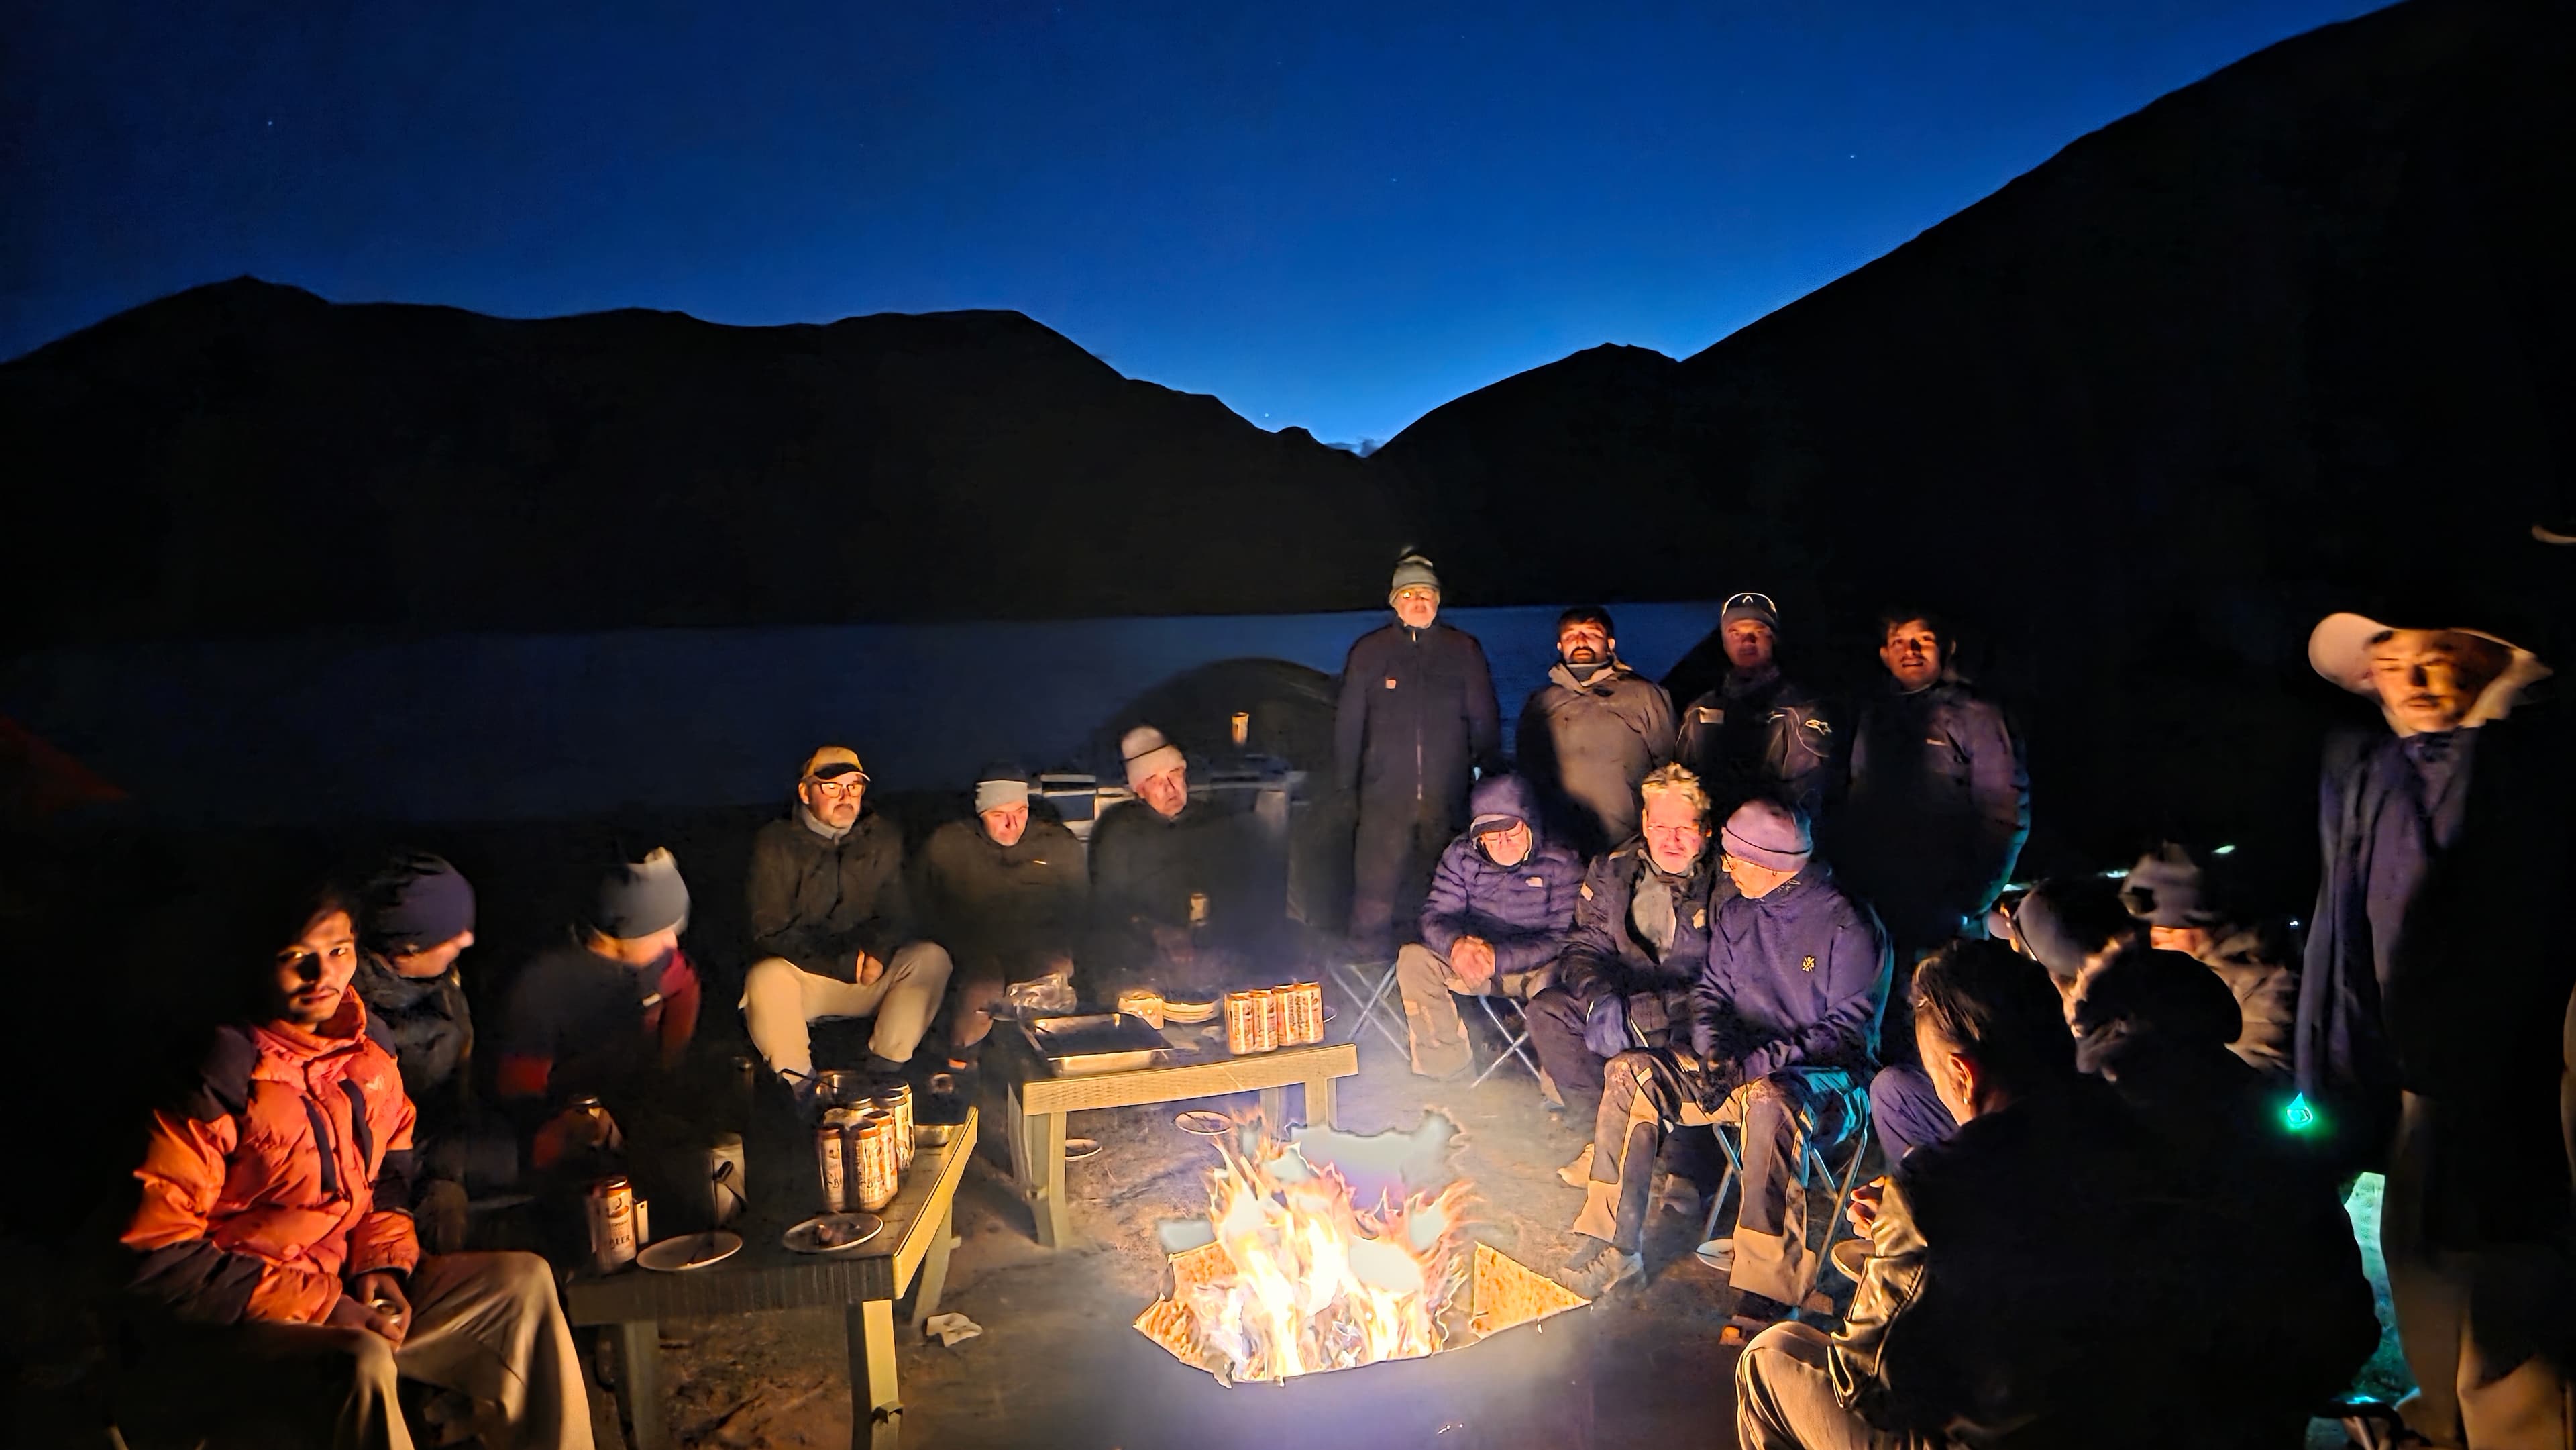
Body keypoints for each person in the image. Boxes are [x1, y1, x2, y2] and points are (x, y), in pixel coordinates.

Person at [1735, 939, 2371, 1450]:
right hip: (2195, 1416)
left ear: (1960, 1071)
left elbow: (1876, 1387)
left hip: (2036, 1424)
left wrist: (1898, 1245)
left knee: (1772, 1358)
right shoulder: (2156, 1133)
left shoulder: (1955, 1178)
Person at [121, 884, 590, 1449]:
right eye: (299, 958)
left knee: (521, 1286)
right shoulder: (220, 1075)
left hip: (342, 1285)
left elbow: (387, 1180)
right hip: (244, 1318)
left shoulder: (368, 1049)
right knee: (361, 1359)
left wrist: (383, 1268)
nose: (324, 974)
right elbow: (158, 1254)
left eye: (340, 950)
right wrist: (325, 1305)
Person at [2297, 609, 2573, 1447]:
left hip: (2515, 1075)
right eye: (2395, 663)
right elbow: (2344, 926)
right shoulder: (2370, 773)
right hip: (2412, 1067)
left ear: (2487, 663)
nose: (2415, 680)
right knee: (2423, 1256)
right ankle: (2443, 1417)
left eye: (2439, 659)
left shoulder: (2528, 768)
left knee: (2510, 1280)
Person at [1560, 798, 1890, 1317]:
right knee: (1631, 1072)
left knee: (1770, 1096)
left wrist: (1752, 1064)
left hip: (1827, 1084)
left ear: (1771, 863)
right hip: (1741, 1069)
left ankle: (1769, 1286)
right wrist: (1714, 1054)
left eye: (1735, 859)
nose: (1726, 866)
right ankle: (1614, 1244)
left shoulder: (1848, 925)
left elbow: (1845, 1032)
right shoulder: (1739, 911)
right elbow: (1710, 994)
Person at [1866, 876, 2141, 1163]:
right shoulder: (2058, 997)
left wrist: (1920, 1192)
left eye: (2023, 951)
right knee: (1894, 1090)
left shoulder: (2100, 1041)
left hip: (2033, 1143)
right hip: (2028, 1115)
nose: (2018, 958)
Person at [743, 747, 954, 1098]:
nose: (845, 797)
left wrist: (877, 951)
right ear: (805, 792)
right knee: (764, 978)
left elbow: (898, 913)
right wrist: (839, 961)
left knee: (932, 959)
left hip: (868, 974)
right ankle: (801, 1090)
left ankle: (884, 1073)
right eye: (831, 787)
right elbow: (769, 929)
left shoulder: (883, 837)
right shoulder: (775, 844)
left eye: (854, 786)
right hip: (810, 977)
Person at [1523, 764, 1725, 1126]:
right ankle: (1598, 1130)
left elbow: (1732, 972)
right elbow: (1585, 946)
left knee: (1700, 1036)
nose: (1670, 840)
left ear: (1705, 829)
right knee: (1549, 1010)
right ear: (1646, 823)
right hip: (1625, 1000)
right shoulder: (1613, 869)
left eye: (1684, 829)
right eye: (1660, 827)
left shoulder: (1726, 879)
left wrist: (1660, 1006)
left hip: (1690, 1009)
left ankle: (1684, 1154)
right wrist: (1600, 994)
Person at [1334, 552, 1501, 960]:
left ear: (1438, 600)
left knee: (1444, 895)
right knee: (1374, 896)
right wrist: (1346, 789)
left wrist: (1492, 780)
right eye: (1409, 594)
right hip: (1384, 801)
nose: (1418, 601)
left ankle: (1440, 982)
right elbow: (1350, 725)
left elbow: (1484, 719)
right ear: (1394, 602)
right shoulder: (1370, 652)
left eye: (1426, 593)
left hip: (1448, 800)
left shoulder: (1463, 650)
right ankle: (1366, 980)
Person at [1837, 607, 2029, 962]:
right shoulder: (1874, 713)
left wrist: (1971, 901)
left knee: (1946, 1005)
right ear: (1885, 654)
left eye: (1922, 641)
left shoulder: (1977, 715)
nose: (1910, 650)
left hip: (1944, 910)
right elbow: (1857, 793)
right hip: (1878, 901)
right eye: (1899, 642)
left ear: (1946, 648)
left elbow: (2005, 813)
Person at [494, 847, 703, 1168]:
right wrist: (571, 1120)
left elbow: (685, 989)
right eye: (662, 933)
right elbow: (519, 1093)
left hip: (636, 1101)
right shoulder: (543, 983)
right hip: (566, 1124)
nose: (672, 944)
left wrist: (669, 1067)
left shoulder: (660, 962)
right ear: (617, 936)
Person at [353, 853, 505, 1254]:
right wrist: (444, 1181)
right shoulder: (359, 1027)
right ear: (405, 950)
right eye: (449, 934)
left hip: (449, 1153)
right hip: (403, 1190)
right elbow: (379, 1148)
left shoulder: (439, 985)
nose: (467, 939)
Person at [1391, 773, 1584, 1079]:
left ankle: (1561, 1086)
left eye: (1511, 831)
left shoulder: (1561, 861)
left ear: (1529, 823)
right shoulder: (1461, 857)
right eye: (1491, 836)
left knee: (1558, 981)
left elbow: (1564, 937)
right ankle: (1446, 1070)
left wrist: (1499, 957)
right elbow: (1435, 914)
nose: (1503, 843)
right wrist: (1456, 946)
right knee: (1414, 960)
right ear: (1477, 837)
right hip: (1475, 963)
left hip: (1535, 968)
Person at [919, 762, 1087, 1071]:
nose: (1012, 824)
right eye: (999, 815)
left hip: (1038, 941)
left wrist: (1066, 947)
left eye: (1020, 812)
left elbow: (1079, 906)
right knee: (982, 986)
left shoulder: (1057, 845)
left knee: (1053, 972)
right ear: (982, 813)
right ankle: (959, 1069)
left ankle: (1045, 1065)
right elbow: (925, 906)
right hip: (974, 945)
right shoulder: (949, 845)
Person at [1089, 724, 1271, 991]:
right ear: (1140, 790)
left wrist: (1212, 936)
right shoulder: (1120, 832)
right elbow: (1109, 906)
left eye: (1175, 775)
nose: (1171, 788)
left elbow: (1243, 893)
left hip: (1214, 943)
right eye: (1157, 782)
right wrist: (1157, 932)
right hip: (1145, 947)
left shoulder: (1216, 823)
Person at [2116, 841, 2297, 1079]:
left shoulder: (2261, 984)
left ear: (2199, 927)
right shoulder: (2205, 973)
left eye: (2164, 931)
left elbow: (2262, 1076)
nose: (2154, 943)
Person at [1516, 605, 1676, 858]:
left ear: (1610, 643)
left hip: (1627, 844)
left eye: (1591, 634)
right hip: (1559, 846)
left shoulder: (1645, 695)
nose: (1580, 641)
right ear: (1560, 646)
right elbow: (1526, 772)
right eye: (1571, 635)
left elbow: (1669, 768)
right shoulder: (1540, 703)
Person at [1672, 592, 1835, 818]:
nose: (1747, 641)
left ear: (1773, 639)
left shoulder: (1802, 711)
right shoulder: (1700, 711)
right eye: (1735, 633)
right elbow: (1682, 786)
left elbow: (1808, 800)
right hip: (1710, 841)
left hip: (1769, 846)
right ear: (1724, 641)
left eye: (1758, 632)